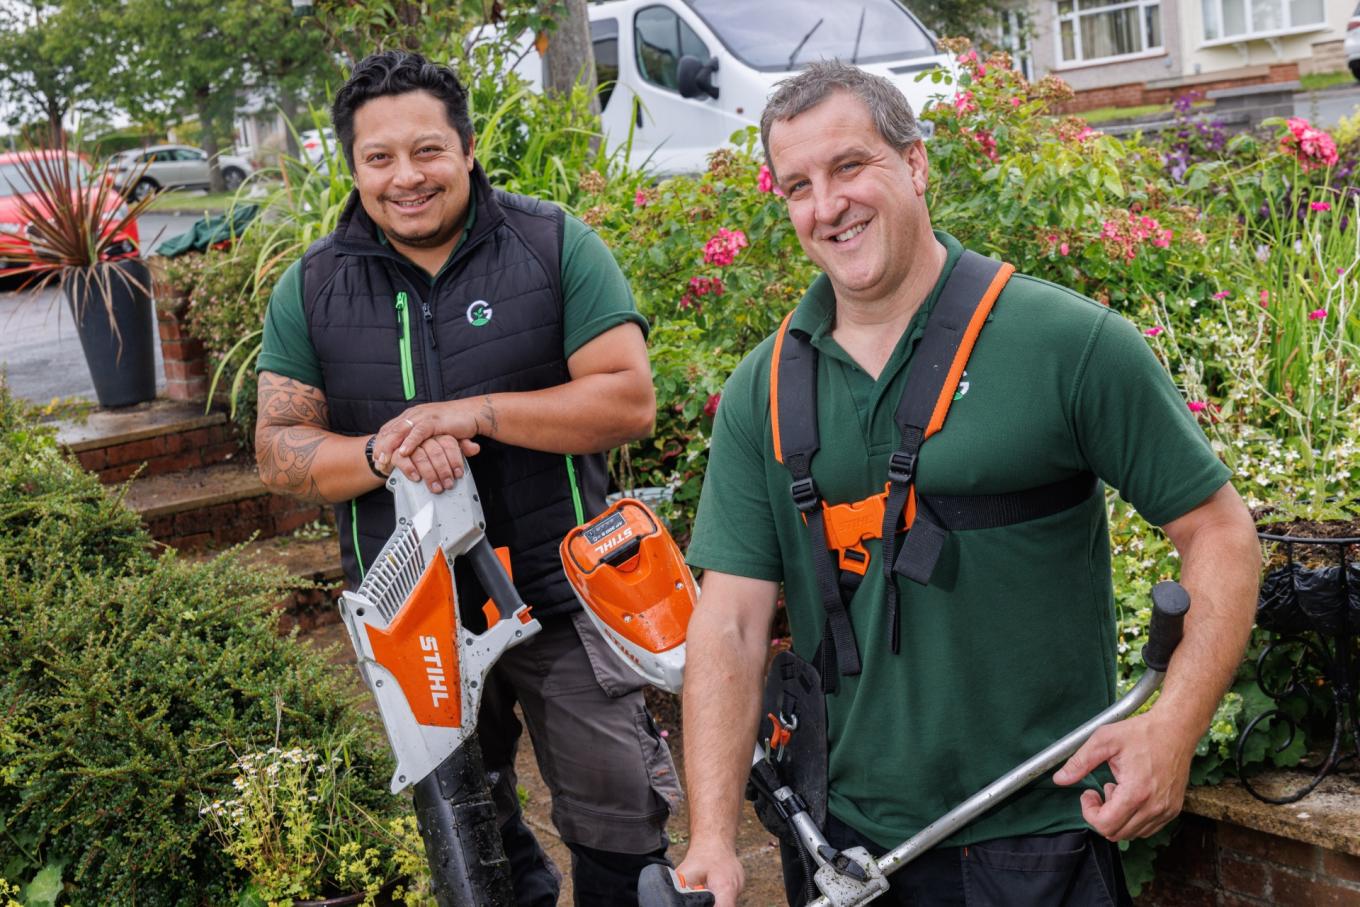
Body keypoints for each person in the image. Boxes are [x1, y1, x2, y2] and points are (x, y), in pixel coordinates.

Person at [676, 61, 1260, 906]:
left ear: (915, 163)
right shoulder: (759, 389)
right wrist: (710, 836)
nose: (827, 205)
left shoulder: (1068, 344)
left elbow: (1220, 532)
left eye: (849, 166)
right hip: (842, 850)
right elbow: (729, 624)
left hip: (1040, 839)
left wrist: (1173, 722)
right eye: (799, 186)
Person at [253, 50, 678, 907]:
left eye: (427, 150)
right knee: (469, 826)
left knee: (619, 817)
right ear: (353, 166)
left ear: (468, 148)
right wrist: (388, 450)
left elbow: (629, 398)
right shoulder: (313, 287)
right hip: (415, 616)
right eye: (379, 157)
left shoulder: (553, 243)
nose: (405, 177)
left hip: (565, 593)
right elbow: (279, 447)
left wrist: (474, 414)